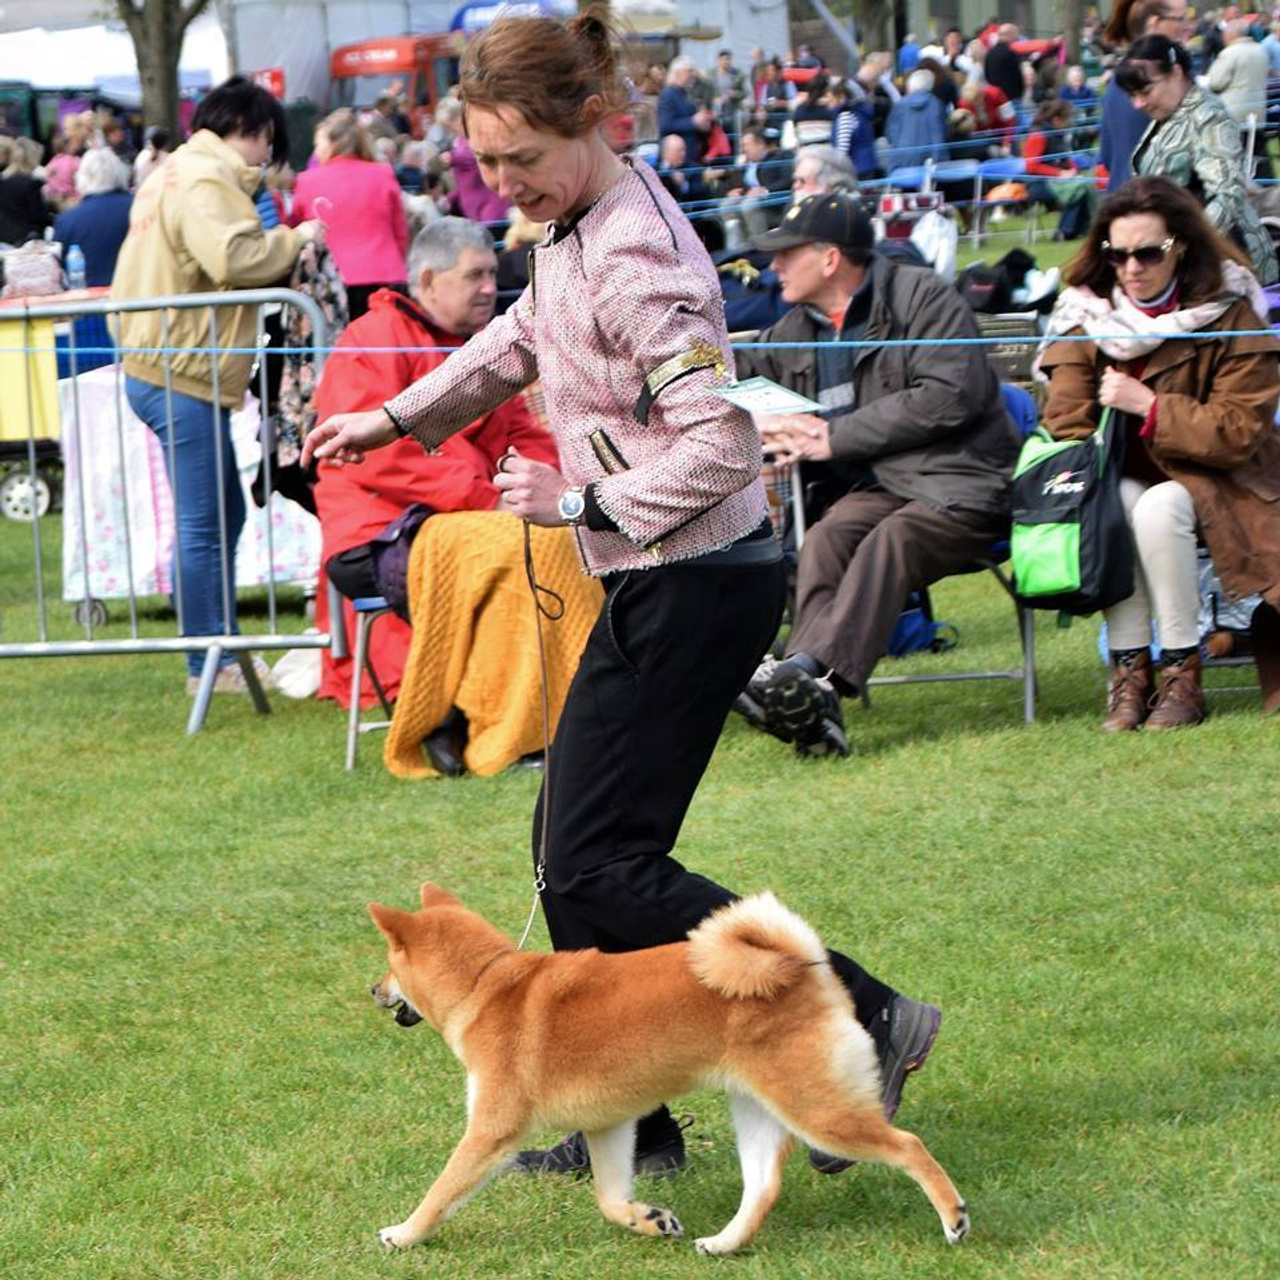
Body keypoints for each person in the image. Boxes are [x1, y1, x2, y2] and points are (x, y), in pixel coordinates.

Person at [302, 11, 942, 1179]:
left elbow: (717, 447)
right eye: (484, 165)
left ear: (593, 124)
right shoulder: (574, 221)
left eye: (520, 162)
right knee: (571, 849)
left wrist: (574, 499)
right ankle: (631, 1123)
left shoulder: (638, 254)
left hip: (693, 581)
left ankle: (860, 1015)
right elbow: (518, 337)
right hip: (662, 575)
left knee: (600, 861)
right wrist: (394, 416)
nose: (501, 190)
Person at [735, 194, 1019, 755]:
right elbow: (741, 369)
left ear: (830, 258)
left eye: (786, 255)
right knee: (827, 536)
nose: (773, 268)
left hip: (963, 484)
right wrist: (753, 407)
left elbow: (950, 395)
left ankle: (806, 677)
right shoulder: (797, 327)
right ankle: (814, 698)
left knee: (892, 538)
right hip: (881, 487)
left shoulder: (923, 297)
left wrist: (832, 437)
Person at [1036, 176, 1280, 726]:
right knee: (1117, 501)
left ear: (1182, 248)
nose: (1132, 268)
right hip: (1120, 477)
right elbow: (1065, 426)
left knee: (1159, 504)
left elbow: (1240, 430)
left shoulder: (1231, 308)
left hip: (1227, 480)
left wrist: (1149, 406)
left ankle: (1180, 674)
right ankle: (1129, 676)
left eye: (1149, 252)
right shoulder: (1084, 314)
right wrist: (1084, 407)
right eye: (1117, 254)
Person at [112, 75, 322, 694]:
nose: (266, 160)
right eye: (267, 145)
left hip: (169, 363)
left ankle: (217, 648)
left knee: (220, 516)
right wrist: (297, 239)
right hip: (179, 366)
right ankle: (210, 662)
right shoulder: (205, 177)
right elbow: (236, 258)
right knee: (205, 525)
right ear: (255, 132)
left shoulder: (172, 171)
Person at [314, 217, 558, 716]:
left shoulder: (479, 345)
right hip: (380, 532)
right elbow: (381, 459)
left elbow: (522, 438)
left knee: (563, 537)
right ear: (427, 280)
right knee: (515, 549)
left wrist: (555, 487)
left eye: (493, 273)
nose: (492, 287)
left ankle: (549, 701)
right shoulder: (371, 338)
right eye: (475, 276)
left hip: (464, 520)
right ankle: (499, 713)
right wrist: (491, 501)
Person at [1117, 35, 1278, 283]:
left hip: (1225, 263)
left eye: (1145, 91)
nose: (1138, 103)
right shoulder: (1170, 115)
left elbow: (1226, 197)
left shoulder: (1208, 117)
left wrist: (1177, 251)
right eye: (1132, 94)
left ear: (1176, 72)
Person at [292, 108, 409, 319]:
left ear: (331, 144)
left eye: (317, 145)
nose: (316, 151)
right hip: (385, 275)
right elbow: (400, 232)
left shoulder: (306, 181)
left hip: (333, 281)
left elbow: (297, 233)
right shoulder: (383, 173)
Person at [1098, 0, 1189, 192]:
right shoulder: (1164, 84)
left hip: (1123, 200)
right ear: (1155, 23)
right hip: (1151, 203)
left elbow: (1107, 156)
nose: (1186, 25)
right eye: (1180, 18)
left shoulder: (1116, 82)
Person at [52, 147, 133, 284]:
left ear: (81, 178)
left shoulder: (66, 221)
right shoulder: (139, 206)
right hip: (138, 296)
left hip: (88, 301)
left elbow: (58, 273)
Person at [1022, 100, 1097, 241]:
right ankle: (1064, 232)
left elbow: (1064, 159)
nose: (1069, 123)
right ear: (1056, 120)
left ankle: (1084, 228)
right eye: (1067, 119)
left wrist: (1073, 169)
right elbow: (1031, 166)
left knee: (1086, 185)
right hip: (1038, 185)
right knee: (1077, 189)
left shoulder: (1057, 134)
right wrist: (1060, 173)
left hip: (1058, 181)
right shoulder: (1038, 135)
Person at [886, 68, 949, 168]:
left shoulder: (900, 105)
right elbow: (943, 132)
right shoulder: (936, 104)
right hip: (931, 162)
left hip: (901, 162)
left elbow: (890, 134)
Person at [0, 136, 50, 245]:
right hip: (26, 242)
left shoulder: (3, 181)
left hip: (4, 240)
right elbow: (40, 217)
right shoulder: (31, 183)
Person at [983, 23, 1025, 104]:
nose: (1017, 39)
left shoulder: (990, 53)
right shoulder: (1011, 53)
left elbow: (987, 74)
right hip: (1012, 96)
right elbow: (1017, 75)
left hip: (995, 98)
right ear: (1009, 35)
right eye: (1016, 36)